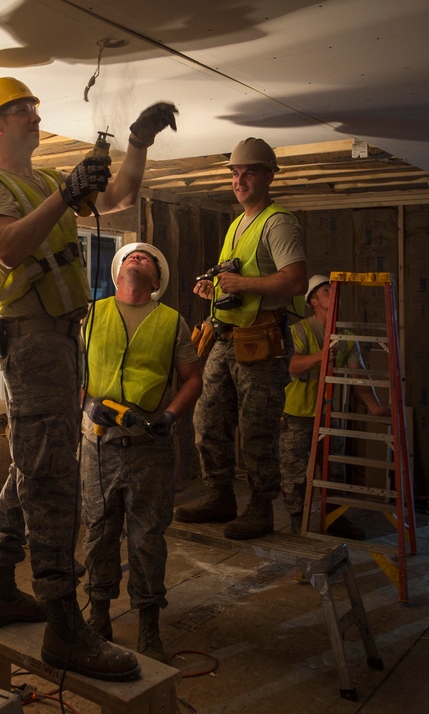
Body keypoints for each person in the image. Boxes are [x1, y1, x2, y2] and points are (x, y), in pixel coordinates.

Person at [0, 76, 177, 680]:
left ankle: (0, 588)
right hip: (30, 342)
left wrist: (136, 142)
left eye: (34, 105)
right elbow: (6, 248)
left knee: (32, 463)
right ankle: (63, 624)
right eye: (20, 109)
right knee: (54, 476)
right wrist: (65, 196)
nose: (34, 114)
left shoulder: (45, 182)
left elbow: (121, 197)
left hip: (59, 341)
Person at [175, 137, 307, 540]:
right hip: (226, 338)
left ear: (268, 175)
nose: (240, 179)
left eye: (249, 172)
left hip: (261, 343)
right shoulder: (237, 223)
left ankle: (261, 507)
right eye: (235, 172)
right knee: (208, 419)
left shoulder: (278, 222)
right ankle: (220, 495)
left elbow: (295, 279)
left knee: (257, 430)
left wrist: (243, 283)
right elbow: (235, 280)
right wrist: (215, 288)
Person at [79, 243, 202, 663]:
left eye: (146, 258)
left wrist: (170, 415)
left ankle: (149, 623)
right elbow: (69, 370)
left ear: (155, 282)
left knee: (148, 537)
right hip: (98, 444)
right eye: (130, 256)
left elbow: (192, 378)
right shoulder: (92, 315)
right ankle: (98, 616)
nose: (136, 257)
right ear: (117, 276)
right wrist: (86, 402)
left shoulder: (172, 321)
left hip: (150, 446)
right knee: (99, 531)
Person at [280, 275, 390, 536]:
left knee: (334, 471)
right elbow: (290, 365)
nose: (335, 293)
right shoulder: (299, 331)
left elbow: (358, 375)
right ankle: (299, 524)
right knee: (294, 475)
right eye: (328, 291)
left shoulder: (346, 336)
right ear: (314, 301)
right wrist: (321, 356)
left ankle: (335, 519)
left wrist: (375, 407)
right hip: (297, 416)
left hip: (330, 415)